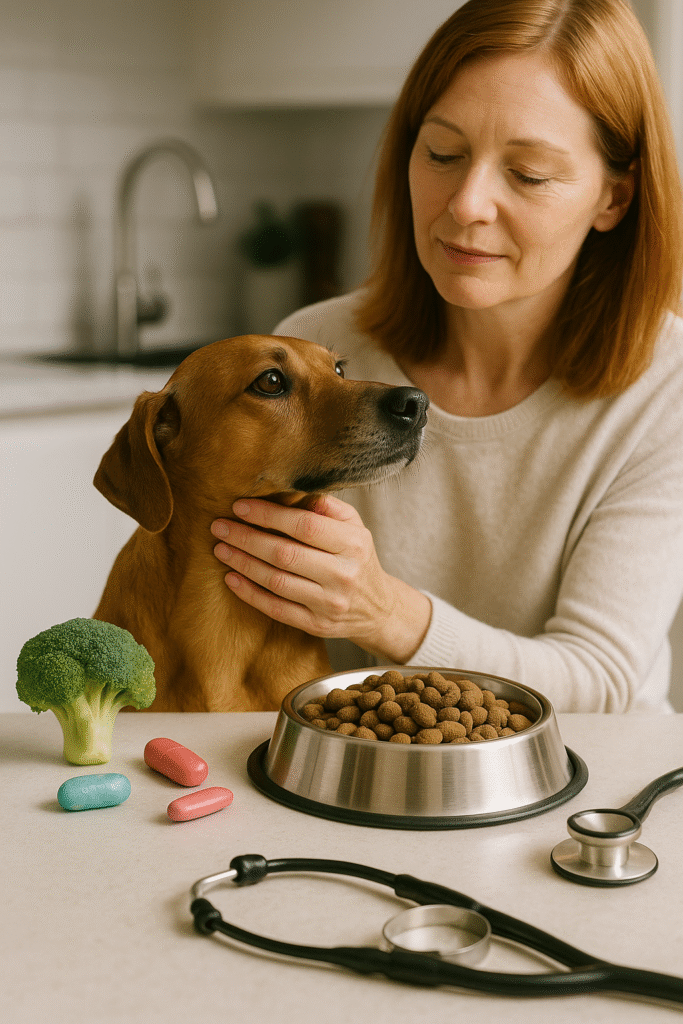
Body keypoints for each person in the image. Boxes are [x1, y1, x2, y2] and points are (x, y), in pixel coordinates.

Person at [211, 0, 683, 713]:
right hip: (353, 779)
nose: (465, 204)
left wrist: (382, 613)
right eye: (442, 154)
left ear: (612, 197)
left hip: (593, 783)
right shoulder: (319, 350)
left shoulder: (665, 387)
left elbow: (601, 680)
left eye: (526, 174)